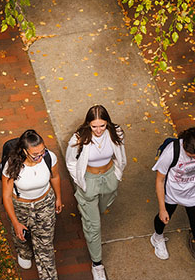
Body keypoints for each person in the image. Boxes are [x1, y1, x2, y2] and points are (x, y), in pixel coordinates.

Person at [65, 105, 127, 280]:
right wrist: (79, 181)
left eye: (102, 125)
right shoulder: (78, 139)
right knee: (94, 225)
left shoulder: (116, 133)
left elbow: (120, 154)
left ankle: (89, 214)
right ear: (88, 124)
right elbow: (70, 161)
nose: (98, 130)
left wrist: (117, 174)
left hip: (109, 178)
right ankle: (97, 264)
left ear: (107, 123)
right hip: (89, 180)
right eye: (94, 126)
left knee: (103, 206)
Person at [150, 127, 195, 280]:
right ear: (184, 145)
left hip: (194, 194)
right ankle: (157, 237)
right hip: (172, 193)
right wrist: (162, 208)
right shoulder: (171, 152)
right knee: (163, 218)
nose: (193, 158)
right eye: (190, 155)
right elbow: (159, 181)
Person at [1, 129, 63, 280]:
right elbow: (7, 196)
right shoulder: (12, 166)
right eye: (35, 154)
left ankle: (49, 277)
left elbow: (55, 177)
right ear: (24, 151)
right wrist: (16, 223)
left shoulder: (49, 158)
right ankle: (24, 252)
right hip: (21, 206)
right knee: (21, 235)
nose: (40, 157)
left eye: (42, 151)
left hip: (44, 203)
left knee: (45, 244)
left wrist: (58, 198)